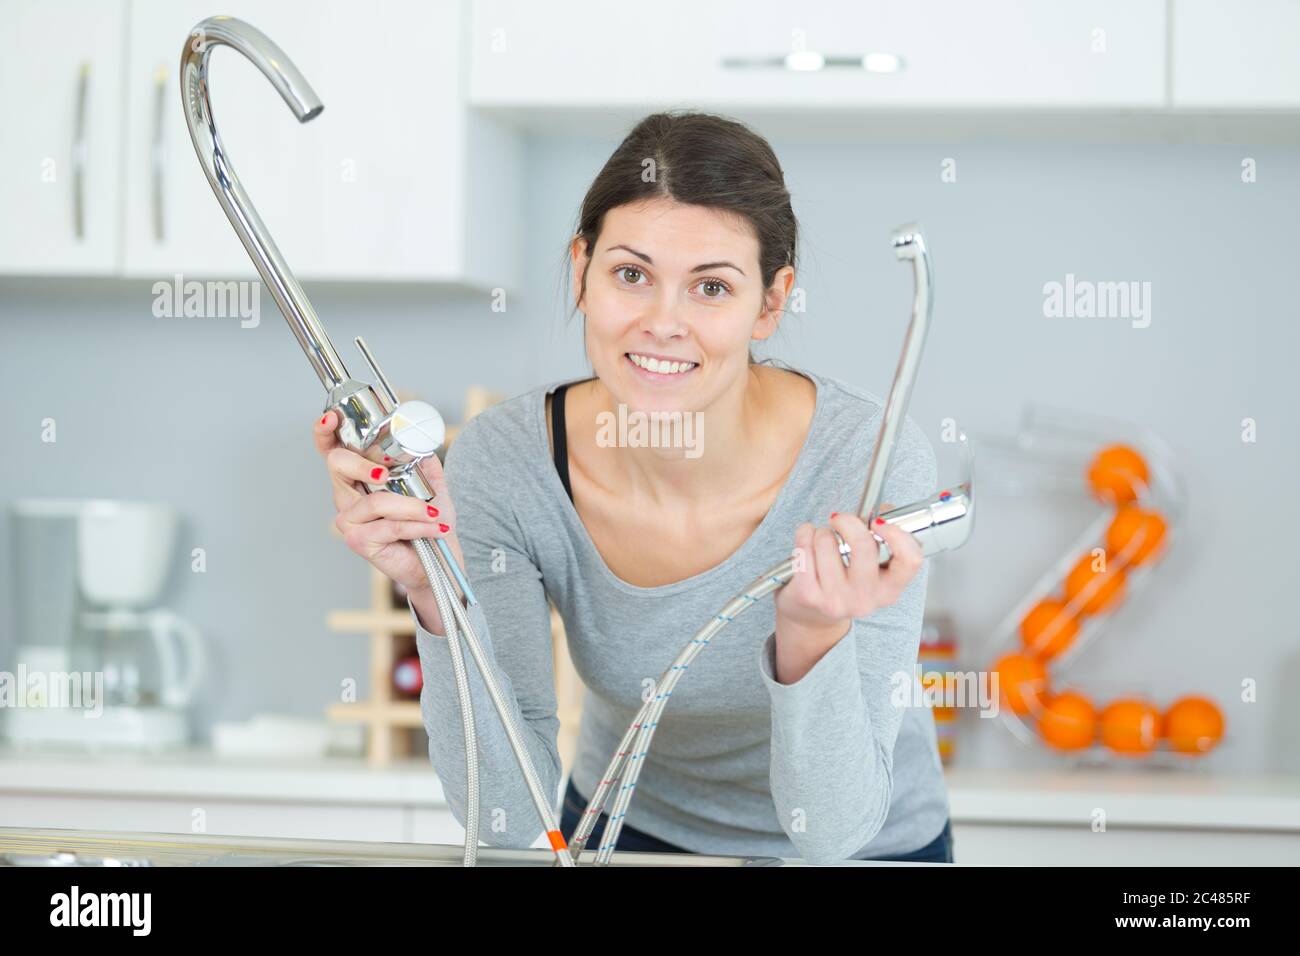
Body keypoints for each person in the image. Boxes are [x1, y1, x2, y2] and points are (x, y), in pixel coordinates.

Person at [313, 111, 954, 865]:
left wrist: (811, 640)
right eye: (630, 274)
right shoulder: (507, 461)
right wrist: (436, 595)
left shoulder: (869, 460)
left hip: (870, 846)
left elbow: (834, 831)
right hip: (628, 834)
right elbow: (501, 819)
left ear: (771, 303)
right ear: (581, 269)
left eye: (711, 287)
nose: (662, 322)